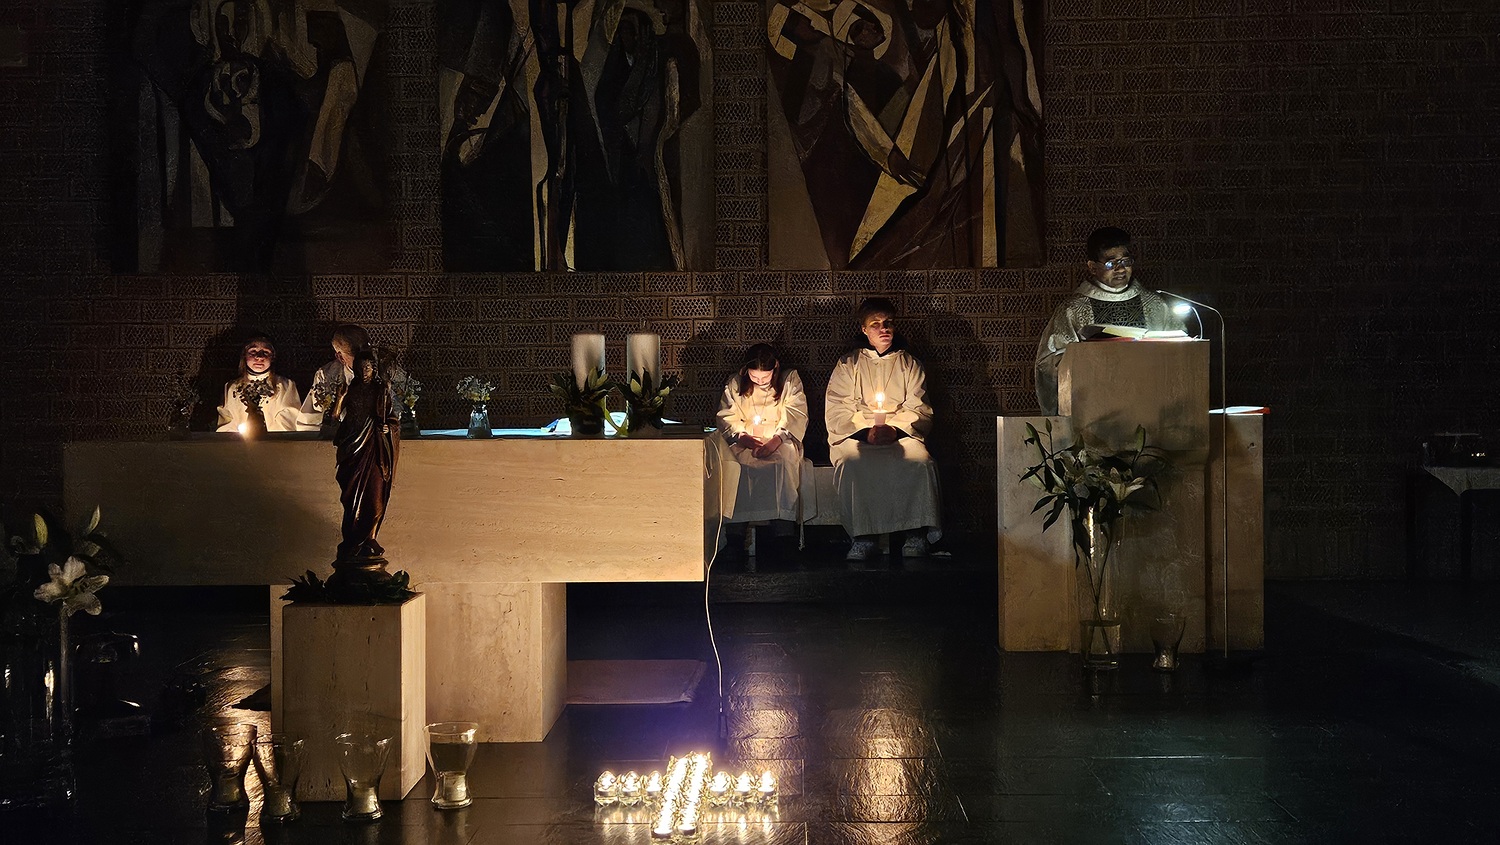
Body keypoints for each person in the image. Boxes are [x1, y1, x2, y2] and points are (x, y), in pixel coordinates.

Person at [825, 298, 941, 560]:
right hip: (858, 435)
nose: (884, 328)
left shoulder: (909, 364)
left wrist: (894, 431)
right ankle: (863, 536)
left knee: (920, 462)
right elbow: (837, 409)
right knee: (853, 463)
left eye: (888, 322)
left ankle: (915, 532)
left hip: (900, 434)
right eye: (876, 324)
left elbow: (919, 408)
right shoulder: (848, 364)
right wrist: (866, 432)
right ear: (864, 329)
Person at [1034, 227, 1184, 415]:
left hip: (1148, 404)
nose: (1120, 269)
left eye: (1125, 261)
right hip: (1094, 408)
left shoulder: (1154, 305)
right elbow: (1049, 364)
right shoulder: (1073, 310)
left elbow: (1181, 353)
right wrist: (1090, 363)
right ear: (1092, 267)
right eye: (1111, 263)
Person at [715, 344, 811, 539]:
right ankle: (735, 535)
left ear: (775, 368)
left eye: (765, 377)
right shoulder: (735, 383)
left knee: (781, 465)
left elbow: (796, 413)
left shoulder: (789, 380)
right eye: (754, 377)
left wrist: (774, 442)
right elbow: (727, 416)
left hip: (780, 441)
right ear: (745, 371)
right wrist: (744, 438)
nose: (760, 382)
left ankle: (783, 531)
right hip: (745, 441)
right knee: (736, 467)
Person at [333, 348, 401, 564]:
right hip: (352, 448)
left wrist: (387, 429)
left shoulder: (381, 391)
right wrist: (340, 398)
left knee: (375, 496)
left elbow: (391, 418)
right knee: (352, 499)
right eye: (361, 368)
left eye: (369, 367)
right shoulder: (350, 390)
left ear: (374, 369)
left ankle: (370, 538)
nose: (365, 371)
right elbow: (334, 417)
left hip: (374, 449)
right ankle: (353, 540)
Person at [297, 324, 409, 430]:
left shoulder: (388, 368)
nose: (364, 360)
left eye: (367, 350)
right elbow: (310, 422)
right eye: (357, 355)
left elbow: (405, 404)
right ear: (340, 357)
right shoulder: (326, 376)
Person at [215, 335, 303, 432]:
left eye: (265, 352)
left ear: (273, 357)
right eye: (253, 352)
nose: (259, 357)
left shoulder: (285, 386)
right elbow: (226, 425)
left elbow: (288, 422)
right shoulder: (232, 388)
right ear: (244, 355)